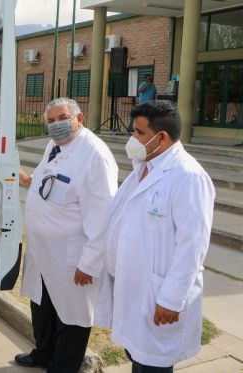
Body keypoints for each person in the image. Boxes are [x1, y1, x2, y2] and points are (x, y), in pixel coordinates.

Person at [104, 101, 215, 371]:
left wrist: (171, 299)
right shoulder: (143, 166)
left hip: (159, 297)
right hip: (135, 289)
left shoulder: (188, 176)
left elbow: (193, 245)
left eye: (139, 133)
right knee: (139, 359)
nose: (132, 138)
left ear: (161, 138)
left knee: (153, 365)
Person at [16, 98, 118, 372]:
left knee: (72, 316)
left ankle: (63, 366)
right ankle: (43, 353)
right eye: (50, 121)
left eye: (61, 118)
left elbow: (103, 216)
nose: (55, 125)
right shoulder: (55, 145)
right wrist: (29, 180)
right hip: (44, 251)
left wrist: (89, 263)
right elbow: (51, 176)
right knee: (43, 307)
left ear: (79, 118)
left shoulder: (95, 155)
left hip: (71, 257)